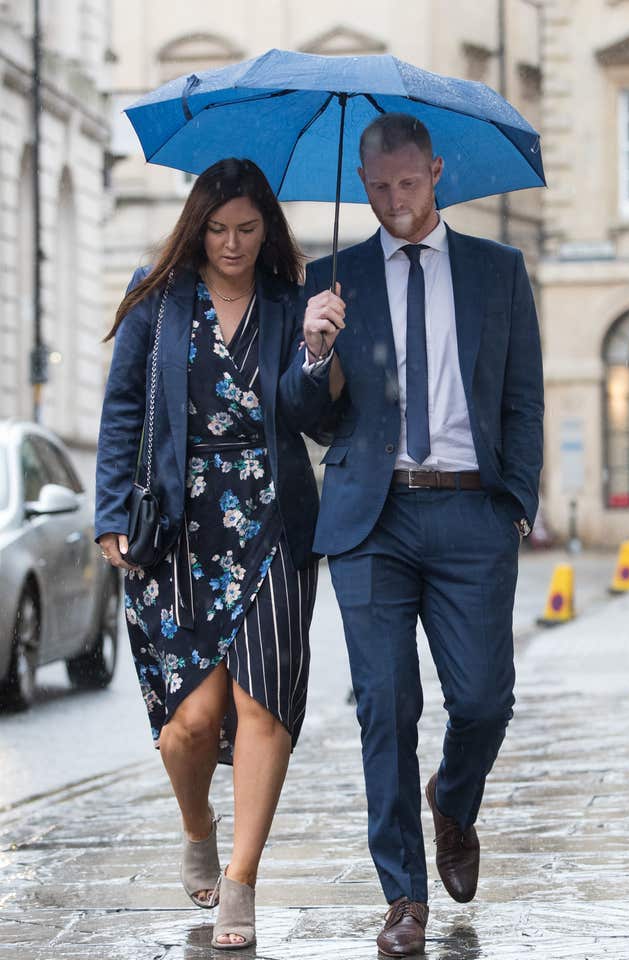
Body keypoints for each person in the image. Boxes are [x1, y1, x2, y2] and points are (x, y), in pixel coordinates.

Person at [286, 113, 544, 957]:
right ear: (363, 185)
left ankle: (454, 802)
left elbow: (523, 400)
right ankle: (403, 898)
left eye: (409, 183)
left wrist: (518, 502)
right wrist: (314, 354)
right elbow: (307, 419)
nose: (396, 201)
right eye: (380, 187)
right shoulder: (331, 280)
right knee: (384, 707)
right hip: (373, 518)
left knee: (481, 701)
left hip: (473, 510)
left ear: (435, 172)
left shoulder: (499, 271)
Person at [95, 158, 327, 951]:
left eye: (248, 229)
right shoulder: (157, 300)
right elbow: (123, 405)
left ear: (269, 231)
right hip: (177, 526)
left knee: (263, 704)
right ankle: (197, 823)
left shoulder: (293, 301)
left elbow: (313, 418)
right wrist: (108, 517)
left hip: (274, 520)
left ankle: (241, 881)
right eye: (219, 229)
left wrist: (320, 353)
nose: (232, 244)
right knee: (188, 725)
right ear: (198, 227)